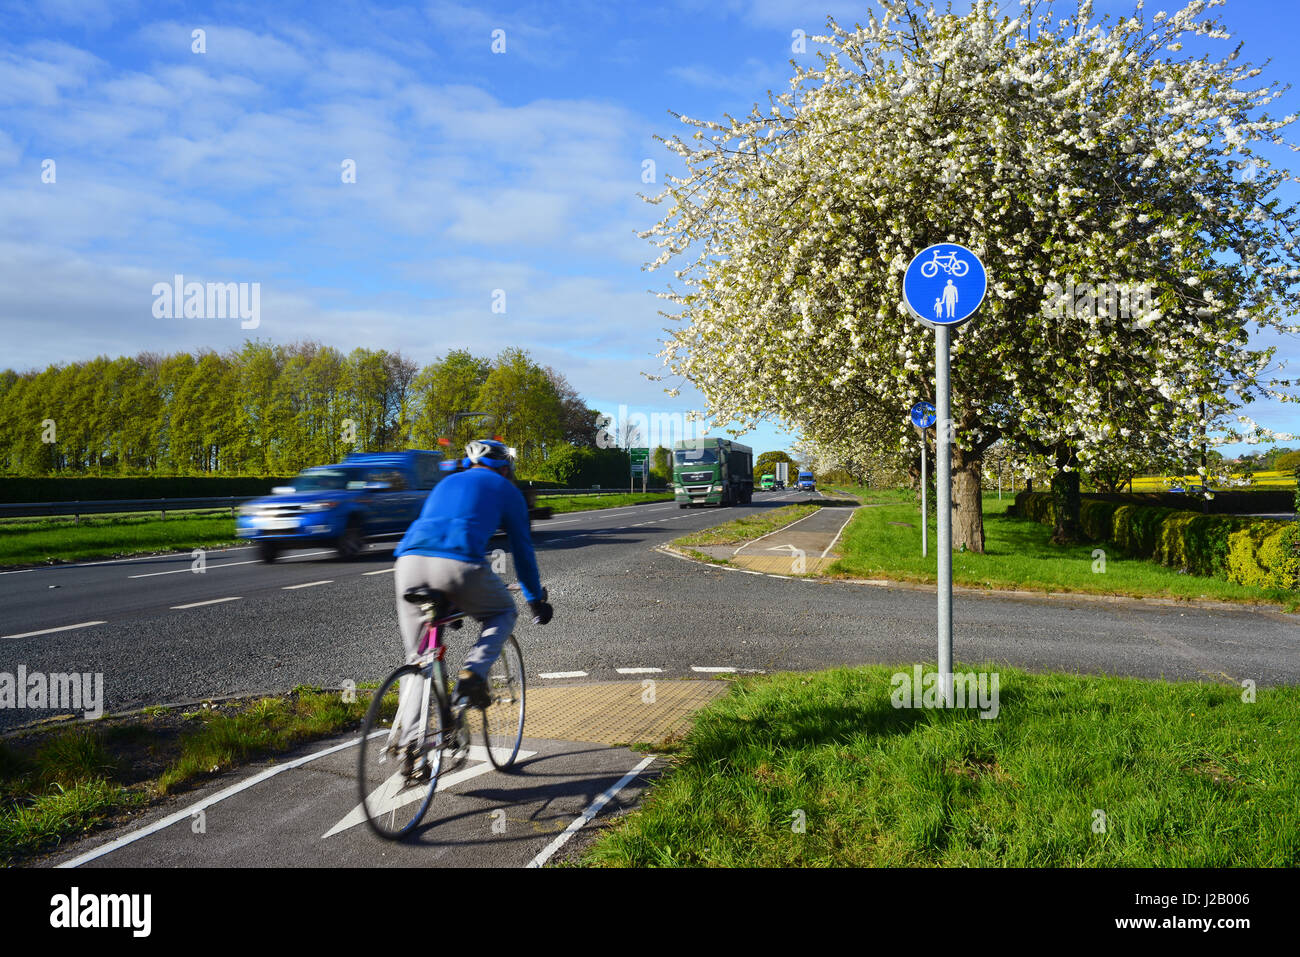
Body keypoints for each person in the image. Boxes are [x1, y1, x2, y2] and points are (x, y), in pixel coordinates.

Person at [391, 439, 551, 756]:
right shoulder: (508, 490)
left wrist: (451, 602)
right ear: (506, 467)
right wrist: (535, 599)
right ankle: (473, 674)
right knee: (503, 612)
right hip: (458, 564)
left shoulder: (446, 483)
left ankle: (410, 743)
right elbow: (522, 552)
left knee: (418, 657)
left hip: (407, 564)